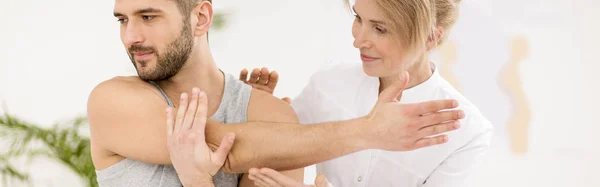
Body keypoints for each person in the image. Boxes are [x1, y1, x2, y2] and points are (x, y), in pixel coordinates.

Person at [87, 0, 464, 186]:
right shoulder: (113, 101)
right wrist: (368, 131)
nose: (130, 36)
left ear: (200, 17)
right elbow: (222, 146)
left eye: (148, 17)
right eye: (123, 20)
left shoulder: (275, 118)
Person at [240, 0, 494, 186]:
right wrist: (260, 112)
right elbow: (275, 147)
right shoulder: (328, 84)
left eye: (380, 29)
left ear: (430, 37)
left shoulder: (467, 132)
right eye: (358, 19)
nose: (358, 40)